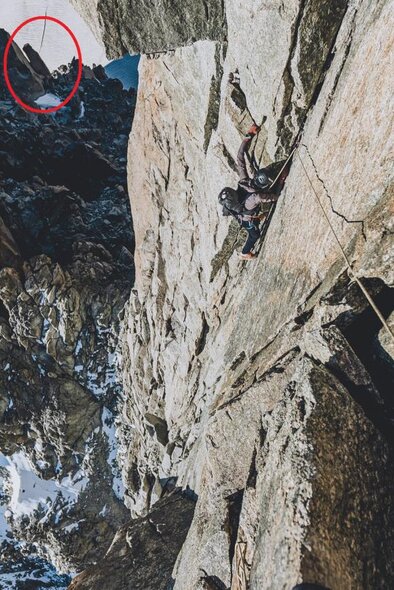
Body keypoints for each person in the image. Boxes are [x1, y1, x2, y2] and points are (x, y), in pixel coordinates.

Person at [218, 124, 287, 260]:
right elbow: (261, 197)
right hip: (246, 217)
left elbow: (240, 158)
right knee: (254, 235)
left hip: (245, 211)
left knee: (256, 216)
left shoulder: (244, 182)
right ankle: (244, 253)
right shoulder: (251, 198)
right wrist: (278, 193)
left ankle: (259, 218)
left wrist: (249, 136)